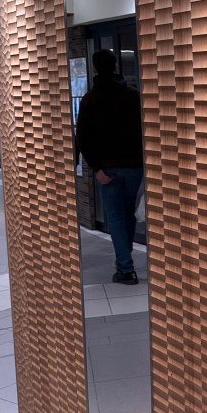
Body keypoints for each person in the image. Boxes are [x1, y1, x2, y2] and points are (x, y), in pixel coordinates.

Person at [75, 49, 144, 285]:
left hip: (107, 169)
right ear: (115, 66)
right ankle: (126, 260)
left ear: (95, 69)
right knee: (128, 213)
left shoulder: (90, 99)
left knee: (115, 216)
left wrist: (96, 168)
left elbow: (83, 138)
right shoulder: (134, 96)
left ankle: (126, 267)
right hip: (134, 167)